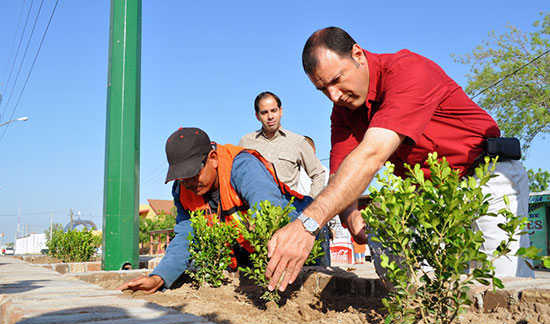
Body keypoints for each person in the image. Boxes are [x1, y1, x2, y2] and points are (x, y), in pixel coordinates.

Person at [265, 26, 533, 292]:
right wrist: (351, 215)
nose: (334, 96)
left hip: (487, 178)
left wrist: (307, 225)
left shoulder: (408, 71)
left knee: (502, 287)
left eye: (336, 80)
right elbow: (339, 175)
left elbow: (371, 155)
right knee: (416, 265)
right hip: (432, 196)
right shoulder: (343, 111)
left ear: (358, 54)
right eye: (323, 89)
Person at [118, 127, 329, 294]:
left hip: (303, 235)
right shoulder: (183, 190)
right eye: (182, 177)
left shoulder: (242, 165)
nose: (189, 182)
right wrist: (158, 277)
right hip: (251, 251)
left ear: (213, 158)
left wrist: (257, 226)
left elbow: (266, 204)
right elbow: (185, 237)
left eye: (193, 173)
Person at [239, 91, 326, 197]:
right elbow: (238, 177)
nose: (270, 116)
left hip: (288, 210)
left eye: (273, 110)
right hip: (254, 210)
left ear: (281, 111)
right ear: (257, 116)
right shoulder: (246, 142)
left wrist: (310, 203)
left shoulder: (297, 142)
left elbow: (318, 174)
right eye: (264, 112)